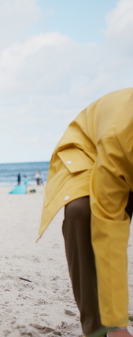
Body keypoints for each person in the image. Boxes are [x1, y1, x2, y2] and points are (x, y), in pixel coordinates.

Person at [39, 88, 133, 337]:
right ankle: (98, 327)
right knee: (82, 213)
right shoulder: (119, 138)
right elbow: (109, 230)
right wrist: (117, 326)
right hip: (90, 151)